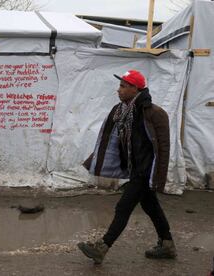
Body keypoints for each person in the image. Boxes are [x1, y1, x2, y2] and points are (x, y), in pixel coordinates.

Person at [78, 70, 176, 264]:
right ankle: (167, 245)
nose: (119, 90)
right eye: (120, 86)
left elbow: (163, 149)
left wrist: (158, 177)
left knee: (123, 207)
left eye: (123, 86)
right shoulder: (121, 111)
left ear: (135, 88)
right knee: (151, 206)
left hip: (145, 171)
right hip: (134, 169)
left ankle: (102, 247)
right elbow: (110, 139)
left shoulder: (155, 113)